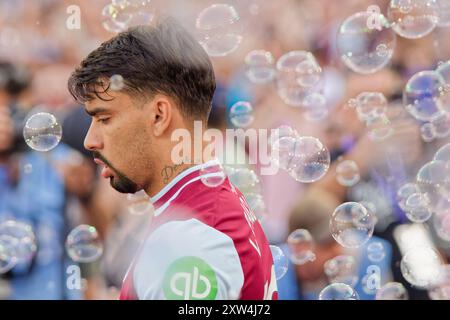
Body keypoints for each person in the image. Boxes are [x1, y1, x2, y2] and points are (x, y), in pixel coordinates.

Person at [67, 17, 277, 300]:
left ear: (159, 115)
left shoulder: (188, 240)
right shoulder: (208, 204)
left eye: (104, 118)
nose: (90, 140)